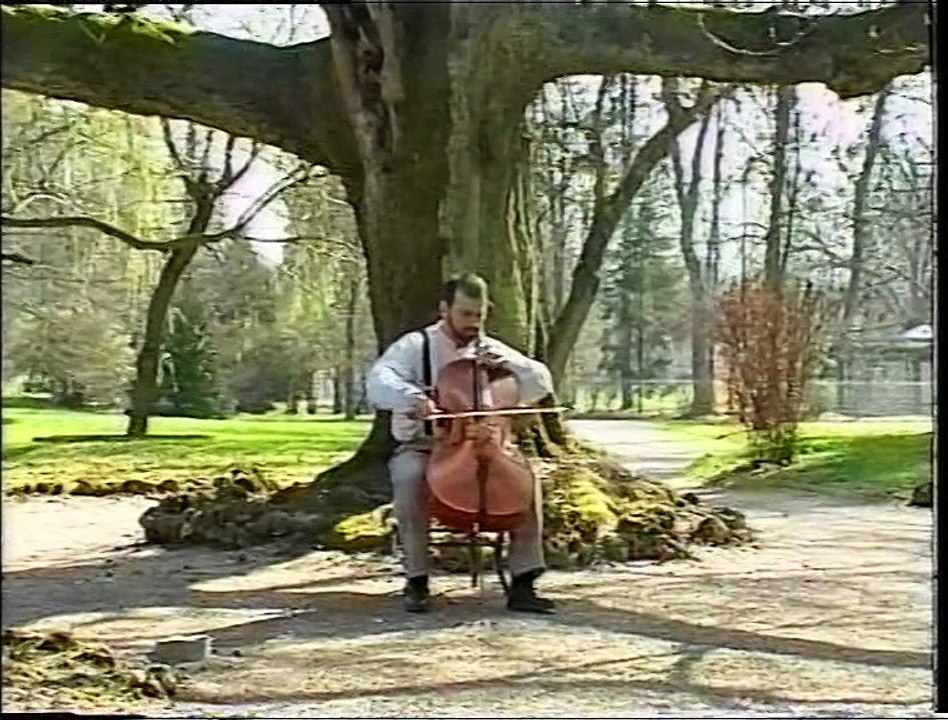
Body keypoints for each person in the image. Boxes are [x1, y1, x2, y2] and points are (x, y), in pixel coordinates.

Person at [366, 273, 556, 614]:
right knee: (409, 479)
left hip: (486, 445)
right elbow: (379, 380)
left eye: (479, 315)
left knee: (527, 482)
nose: (473, 323)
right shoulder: (417, 345)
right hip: (425, 444)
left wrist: (508, 366)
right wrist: (412, 398)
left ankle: (525, 581)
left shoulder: (490, 349)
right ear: (445, 309)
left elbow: (540, 380)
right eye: (466, 314)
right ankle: (417, 580)